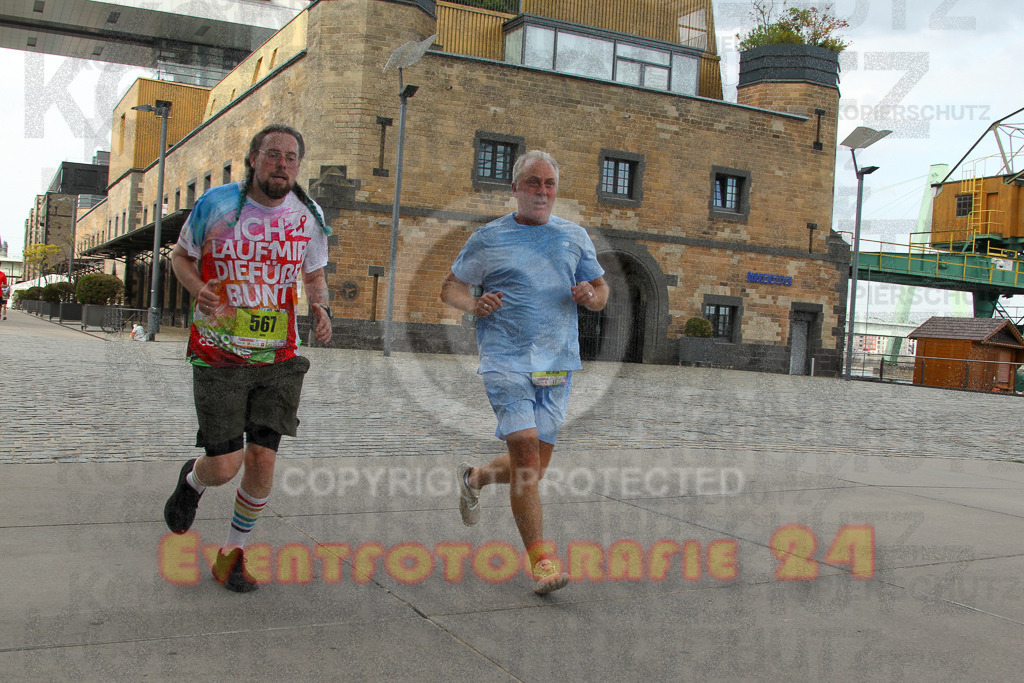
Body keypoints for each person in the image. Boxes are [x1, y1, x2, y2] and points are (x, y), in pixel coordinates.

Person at [162, 123, 334, 592]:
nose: (282, 164)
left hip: (278, 356)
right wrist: (200, 292)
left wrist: (320, 307)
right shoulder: (216, 204)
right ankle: (194, 481)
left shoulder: (308, 215)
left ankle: (231, 554)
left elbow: (313, 272)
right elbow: (180, 257)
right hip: (218, 353)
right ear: (253, 158)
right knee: (225, 466)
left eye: (292, 157)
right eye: (273, 154)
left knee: (262, 461)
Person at [440, 150, 609, 595]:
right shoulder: (488, 237)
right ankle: (542, 562)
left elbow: (603, 290)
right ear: (515, 188)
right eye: (532, 183)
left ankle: (474, 476)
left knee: (533, 467)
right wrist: (474, 304)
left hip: (556, 365)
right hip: (506, 360)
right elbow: (451, 287)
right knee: (528, 456)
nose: (542, 191)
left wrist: (591, 294)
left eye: (549, 183)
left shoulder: (573, 236)